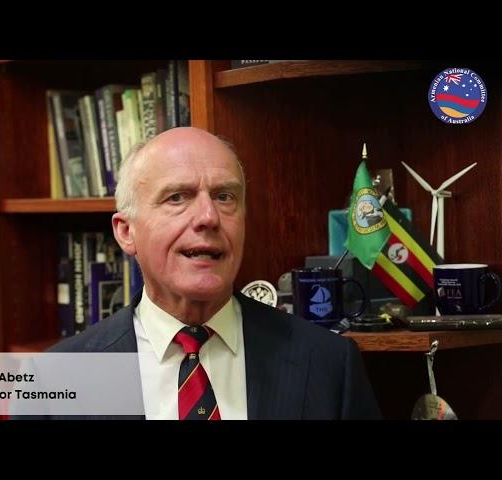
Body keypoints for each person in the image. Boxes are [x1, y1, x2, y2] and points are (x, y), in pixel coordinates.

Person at [48, 127, 381, 420]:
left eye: (225, 197)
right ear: (126, 232)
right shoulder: (61, 376)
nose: (208, 216)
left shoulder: (330, 365)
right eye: (177, 197)